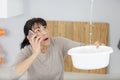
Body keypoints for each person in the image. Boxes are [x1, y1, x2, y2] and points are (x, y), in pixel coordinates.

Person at [10, 18, 98, 80]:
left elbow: (83, 48)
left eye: (44, 28)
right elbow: (12, 76)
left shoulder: (59, 43)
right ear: (30, 37)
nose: (44, 32)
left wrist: (95, 46)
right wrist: (35, 54)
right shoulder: (26, 52)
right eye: (38, 30)